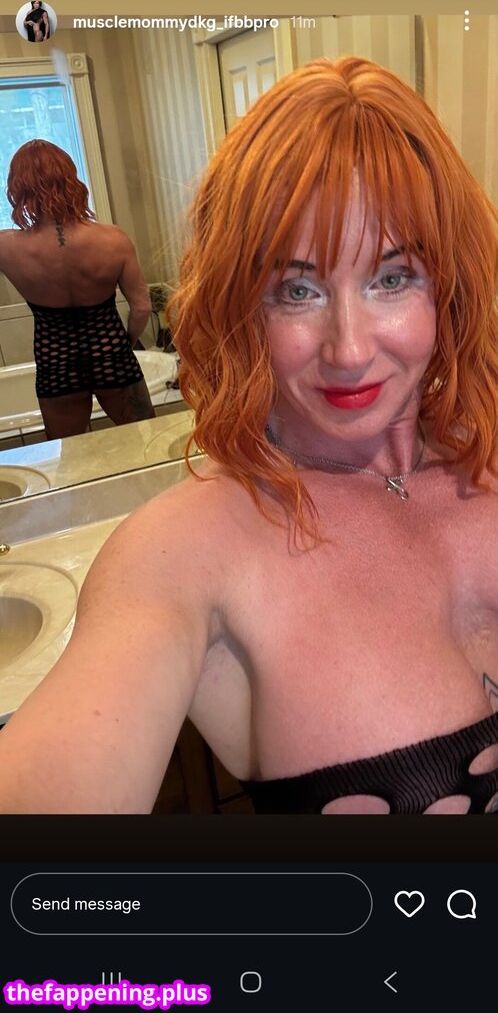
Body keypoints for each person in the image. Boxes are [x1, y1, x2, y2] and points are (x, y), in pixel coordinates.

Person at [0, 56, 497, 814]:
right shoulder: (187, 551)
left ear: (448, 285)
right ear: (241, 303)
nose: (349, 349)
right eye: (297, 290)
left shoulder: (485, 456)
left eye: (392, 278)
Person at [0, 139, 155, 438]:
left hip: (56, 363)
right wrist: (124, 341)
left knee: (68, 455)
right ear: (71, 179)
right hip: (112, 355)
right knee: (146, 445)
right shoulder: (113, 239)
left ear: (18, 189)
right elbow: (142, 307)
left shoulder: (6, 247)